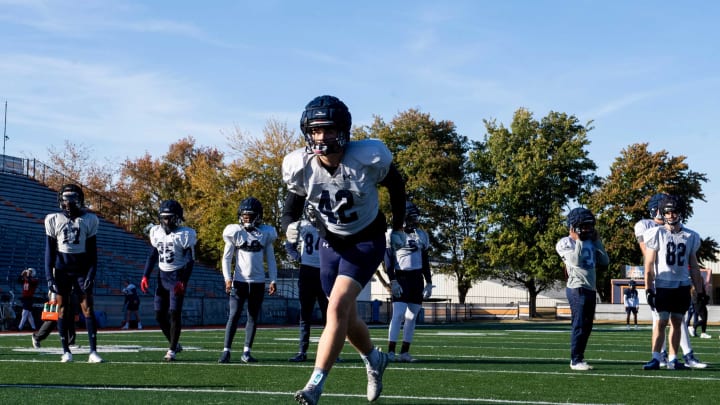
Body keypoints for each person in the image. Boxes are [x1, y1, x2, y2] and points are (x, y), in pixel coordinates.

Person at [281, 94, 407, 404]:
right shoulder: (302, 166)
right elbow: (291, 206)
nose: (321, 137)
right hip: (331, 241)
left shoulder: (366, 156)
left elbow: (397, 184)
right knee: (345, 316)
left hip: (366, 239)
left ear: (343, 131)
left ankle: (315, 384)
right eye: (315, 130)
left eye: (328, 130)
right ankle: (374, 359)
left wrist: (399, 226)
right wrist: (289, 225)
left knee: (336, 307)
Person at [635, 193, 705, 368]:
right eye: (667, 212)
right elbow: (649, 264)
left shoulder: (691, 236)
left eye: (673, 212)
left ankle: (674, 359)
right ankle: (656, 357)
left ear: (680, 212)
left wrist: (700, 291)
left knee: (677, 321)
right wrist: (649, 289)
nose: (670, 215)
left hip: (682, 285)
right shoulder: (655, 233)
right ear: (662, 213)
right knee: (661, 321)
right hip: (663, 284)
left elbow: (694, 267)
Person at [44, 183, 103, 363]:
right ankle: (66, 351)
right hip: (62, 269)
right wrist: (49, 276)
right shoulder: (53, 219)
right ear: (60, 200)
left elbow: (93, 252)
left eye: (72, 199)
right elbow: (49, 251)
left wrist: (91, 274)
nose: (69, 203)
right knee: (61, 309)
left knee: (88, 308)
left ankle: (93, 352)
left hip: (82, 270)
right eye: (66, 198)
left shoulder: (89, 219)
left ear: (79, 200)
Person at [218, 197, 277, 364]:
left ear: (258, 216)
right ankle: (226, 350)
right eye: (245, 216)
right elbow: (226, 258)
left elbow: (271, 259)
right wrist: (227, 278)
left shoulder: (266, 233)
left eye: (250, 216)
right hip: (240, 281)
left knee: (252, 316)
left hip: (258, 282)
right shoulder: (234, 232)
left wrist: (273, 280)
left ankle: (246, 351)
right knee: (234, 315)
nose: (247, 219)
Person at [141, 199, 196, 362]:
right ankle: (175, 343)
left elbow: (190, 260)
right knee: (159, 315)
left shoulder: (185, 234)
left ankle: (171, 350)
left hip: (176, 276)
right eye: (164, 217)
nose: (167, 221)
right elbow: (152, 255)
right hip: (161, 276)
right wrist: (145, 275)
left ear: (177, 218)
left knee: (174, 314)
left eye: (170, 217)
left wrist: (183, 281)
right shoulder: (156, 232)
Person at [556, 207, 609, 371]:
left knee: (587, 325)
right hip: (576, 287)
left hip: (590, 287)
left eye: (589, 226)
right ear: (573, 227)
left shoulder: (590, 242)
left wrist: (597, 241)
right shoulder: (565, 242)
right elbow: (575, 260)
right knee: (579, 323)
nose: (587, 230)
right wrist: (579, 240)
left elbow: (605, 261)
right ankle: (575, 359)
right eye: (583, 226)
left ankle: (580, 357)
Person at [383, 201, 433, 363]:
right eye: (412, 217)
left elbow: (425, 260)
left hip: (416, 278)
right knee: (398, 315)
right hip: (402, 277)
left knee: (412, 317)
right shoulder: (392, 235)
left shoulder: (422, 235)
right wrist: (393, 280)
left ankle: (404, 352)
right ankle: (391, 351)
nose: (415, 220)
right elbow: (388, 261)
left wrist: (429, 282)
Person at [285, 204, 328, 363]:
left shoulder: (328, 225)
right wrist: (299, 258)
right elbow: (289, 245)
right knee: (305, 314)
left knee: (328, 315)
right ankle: (302, 351)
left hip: (324, 272)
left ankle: (329, 352)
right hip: (307, 271)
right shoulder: (301, 225)